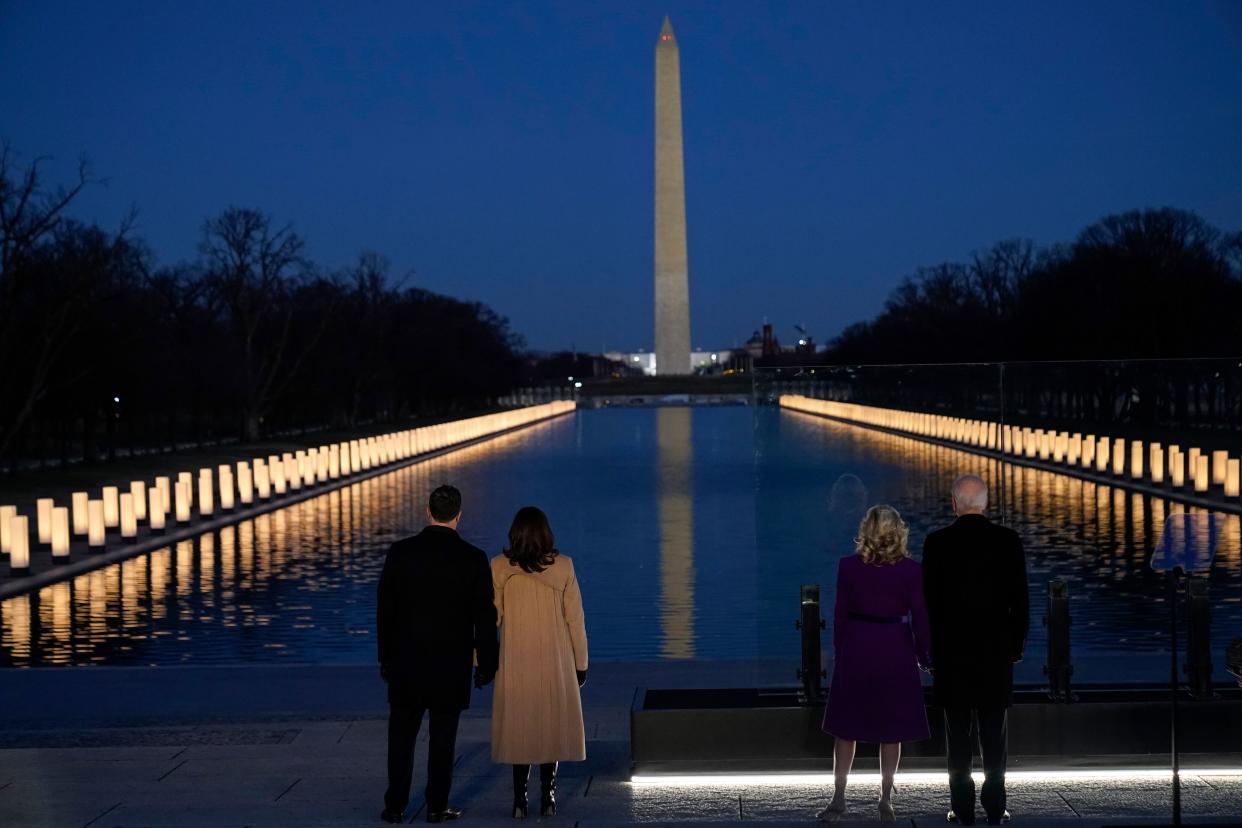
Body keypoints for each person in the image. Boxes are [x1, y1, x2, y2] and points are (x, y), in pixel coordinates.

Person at [377, 485, 499, 824]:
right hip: (450, 665)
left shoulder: (400, 553)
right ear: (459, 515)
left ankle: (395, 805)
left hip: (406, 662)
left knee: (401, 737)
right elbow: (484, 619)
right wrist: (487, 665)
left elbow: (385, 611)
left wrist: (385, 657)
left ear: (428, 512)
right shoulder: (473, 558)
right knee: (443, 740)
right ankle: (436, 805)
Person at [922, 475, 1029, 826]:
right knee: (994, 733)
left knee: (957, 735)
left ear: (954, 504)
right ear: (986, 503)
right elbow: (1021, 602)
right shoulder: (1008, 541)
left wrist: (930, 651)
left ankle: (962, 806)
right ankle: (996, 806)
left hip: (952, 655)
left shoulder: (936, 543)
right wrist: (1015, 646)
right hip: (995, 655)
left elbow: (929, 605)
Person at [818, 505, 931, 824]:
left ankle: (839, 798)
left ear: (866, 530)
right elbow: (920, 618)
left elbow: (839, 615)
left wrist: (841, 651)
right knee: (891, 729)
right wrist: (925, 656)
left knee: (845, 728)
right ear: (898, 531)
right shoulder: (912, 570)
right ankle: (885, 799)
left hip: (858, 644)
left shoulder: (848, 567)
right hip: (895, 645)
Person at [490, 506, 588, 819]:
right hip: (555, 659)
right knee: (550, 727)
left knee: (521, 728)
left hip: (516, 659)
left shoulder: (499, 567)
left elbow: (491, 618)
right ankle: (548, 797)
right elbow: (576, 621)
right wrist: (581, 663)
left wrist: (481, 659)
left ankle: (520, 799)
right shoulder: (564, 567)